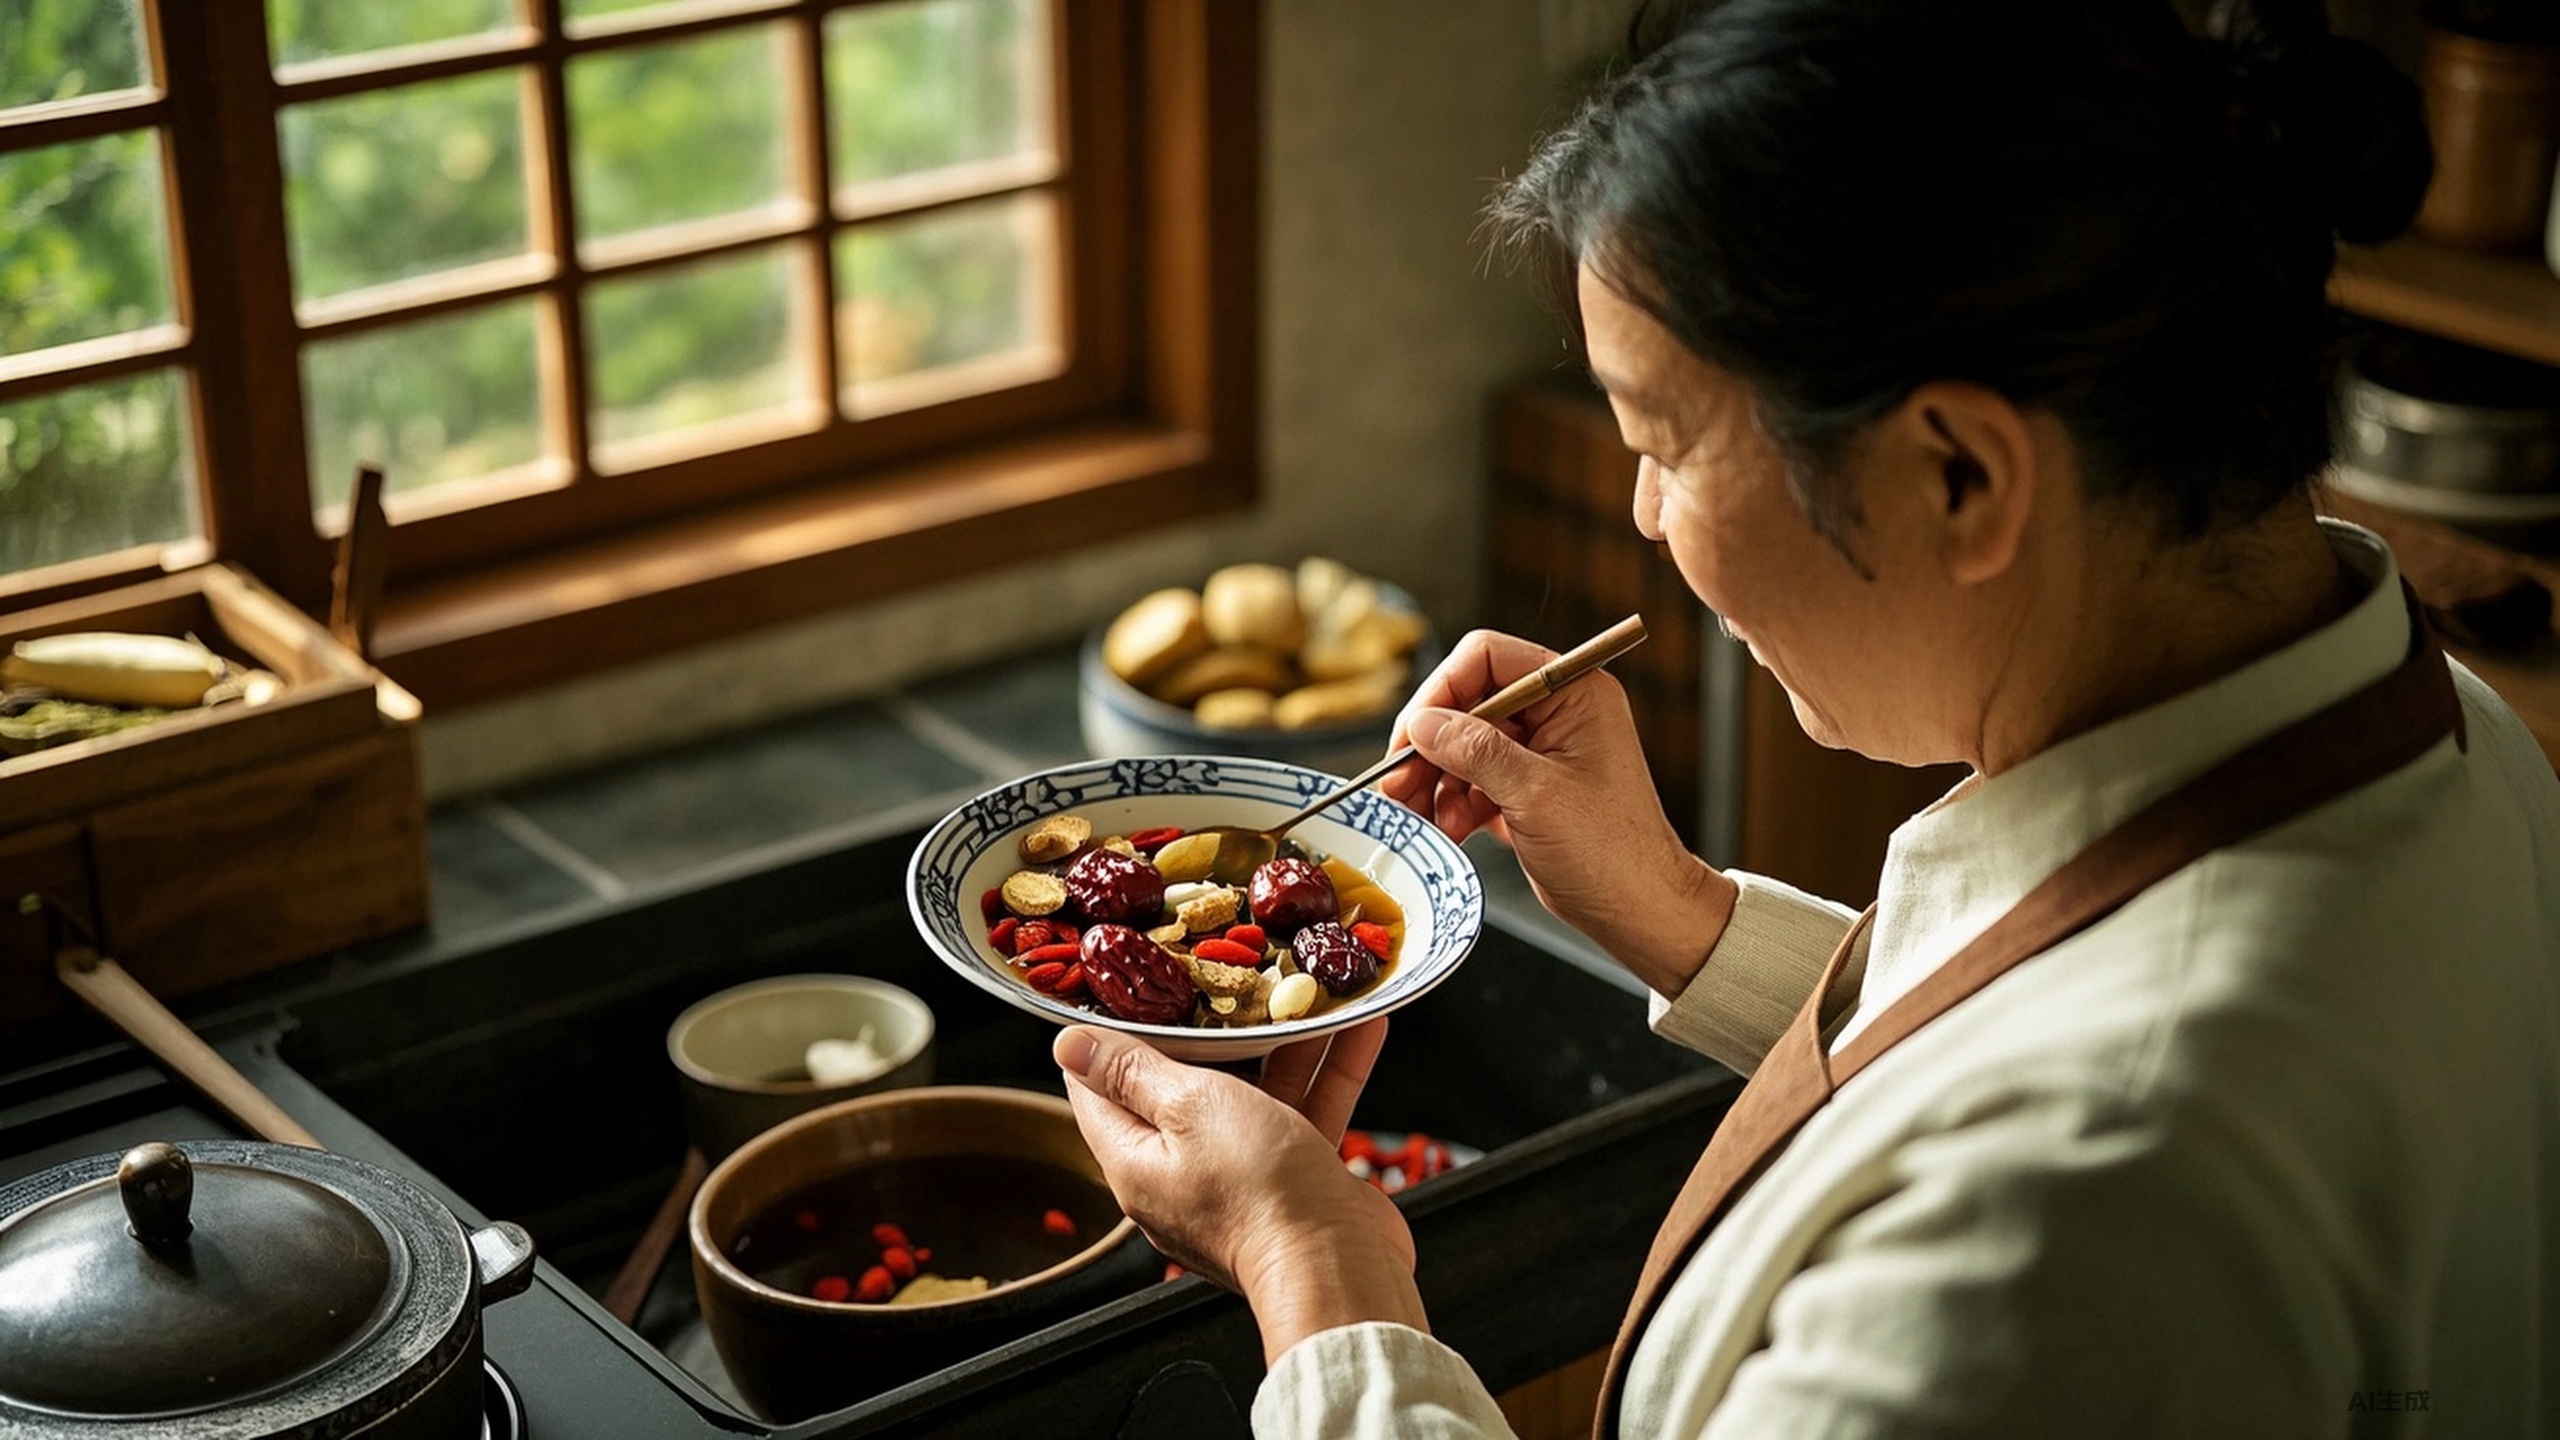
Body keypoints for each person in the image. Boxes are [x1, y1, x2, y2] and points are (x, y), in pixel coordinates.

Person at [1053, 0, 2560, 1433]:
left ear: (1959, 475)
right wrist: (1683, 915)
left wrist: (1317, 1269)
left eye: (1662, 441)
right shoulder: (2455, 741)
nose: (1647, 519)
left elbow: (2046, 1117)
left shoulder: (2078, 1217)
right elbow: (2010, 1033)